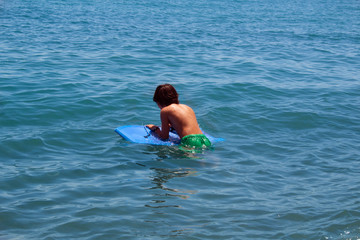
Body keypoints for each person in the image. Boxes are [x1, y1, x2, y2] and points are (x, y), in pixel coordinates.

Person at [146, 84, 211, 149]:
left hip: (190, 141)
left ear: (159, 101)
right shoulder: (187, 107)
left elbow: (164, 137)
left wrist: (155, 128)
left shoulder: (165, 110)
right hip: (204, 139)